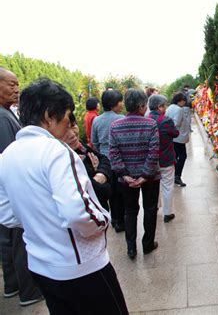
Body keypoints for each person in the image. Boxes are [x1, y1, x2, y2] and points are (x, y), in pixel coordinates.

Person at [0, 78, 128, 314]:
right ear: (49, 116)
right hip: (81, 267)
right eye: (67, 116)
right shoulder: (56, 151)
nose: (69, 125)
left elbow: (6, 214)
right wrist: (103, 220)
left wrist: (41, 222)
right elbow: (78, 213)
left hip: (41, 266)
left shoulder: (7, 155)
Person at [0, 67, 43, 307]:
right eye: (10, 84)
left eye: (17, 84)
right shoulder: (3, 118)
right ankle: (29, 292)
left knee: (9, 241)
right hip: (13, 193)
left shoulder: (6, 114)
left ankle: (12, 285)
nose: (16, 89)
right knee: (19, 241)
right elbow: (11, 159)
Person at [109, 89, 160, 260]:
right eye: (145, 105)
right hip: (150, 178)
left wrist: (124, 175)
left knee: (130, 212)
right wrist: (145, 175)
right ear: (140, 106)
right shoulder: (150, 124)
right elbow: (154, 152)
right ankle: (147, 244)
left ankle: (131, 248)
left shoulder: (115, 126)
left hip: (127, 180)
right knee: (150, 209)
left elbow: (113, 153)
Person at [92, 90, 125, 232]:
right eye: (120, 101)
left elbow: (94, 141)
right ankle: (120, 222)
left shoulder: (97, 120)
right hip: (119, 160)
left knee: (111, 192)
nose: (122, 104)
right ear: (113, 104)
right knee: (121, 192)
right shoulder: (121, 119)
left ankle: (114, 218)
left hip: (104, 163)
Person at [62, 117, 111, 210]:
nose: (72, 134)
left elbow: (104, 159)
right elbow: (103, 191)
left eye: (73, 126)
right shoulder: (64, 161)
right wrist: (98, 175)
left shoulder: (80, 147)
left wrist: (100, 173)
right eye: (64, 131)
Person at [148, 95, 179, 223]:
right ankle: (167, 213)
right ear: (159, 107)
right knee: (167, 185)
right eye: (164, 106)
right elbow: (175, 133)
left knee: (154, 185)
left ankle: (155, 206)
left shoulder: (146, 119)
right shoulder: (165, 121)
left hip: (151, 160)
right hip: (165, 158)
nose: (165, 108)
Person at [166, 92, 190, 187]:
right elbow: (176, 123)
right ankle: (177, 175)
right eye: (183, 101)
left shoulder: (170, 107)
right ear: (180, 100)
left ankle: (174, 175)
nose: (184, 103)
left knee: (175, 157)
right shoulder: (179, 109)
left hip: (172, 137)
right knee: (183, 156)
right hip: (178, 137)